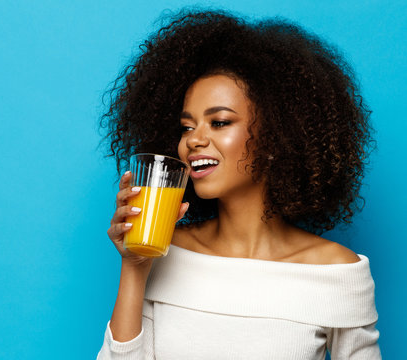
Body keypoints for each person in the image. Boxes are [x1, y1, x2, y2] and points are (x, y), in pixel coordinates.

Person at [97, 8, 381, 359]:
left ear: (276, 136)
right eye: (187, 127)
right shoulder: (165, 250)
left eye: (218, 122)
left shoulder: (336, 273)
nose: (193, 141)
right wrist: (135, 266)